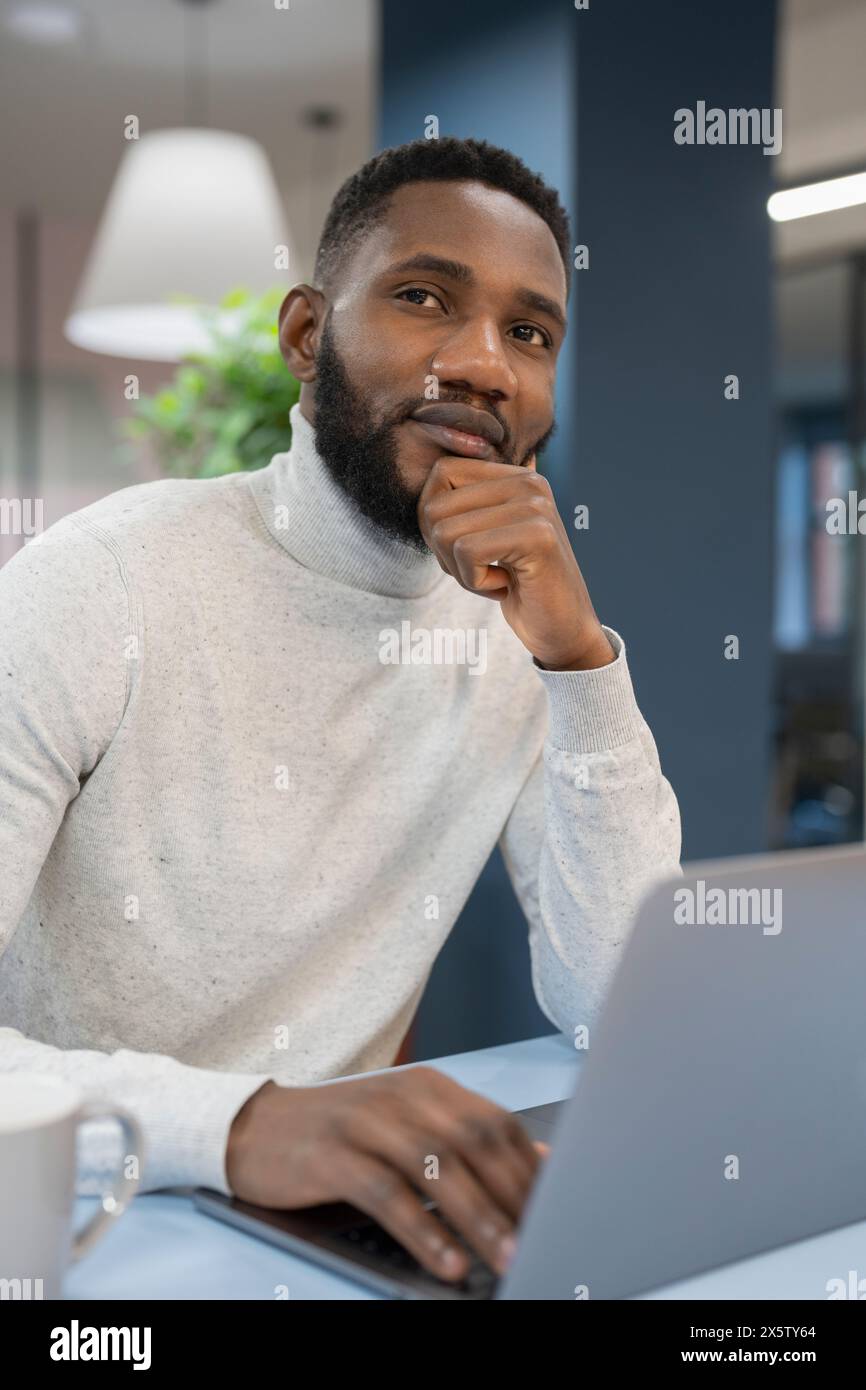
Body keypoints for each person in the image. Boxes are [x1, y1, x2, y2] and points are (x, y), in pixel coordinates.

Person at [0, 137, 681, 1283]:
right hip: (79, 1230)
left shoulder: (518, 632)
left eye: (529, 333)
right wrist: (240, 1124)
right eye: (424, 298)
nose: (480, 365)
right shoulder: (96, 586)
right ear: (308, 335)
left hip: (336, 1235)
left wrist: (578, 665)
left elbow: (623, 1011)